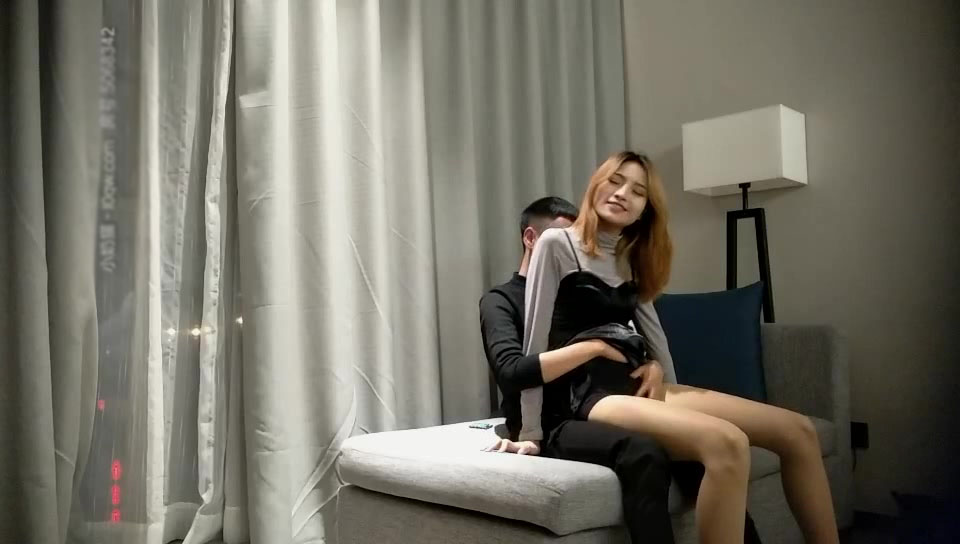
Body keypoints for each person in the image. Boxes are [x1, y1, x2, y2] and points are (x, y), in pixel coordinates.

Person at [516, 152, 840, 544]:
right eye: (615, 181)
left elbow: (655, 337)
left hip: (637, 383)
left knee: (798, 431)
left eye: (638, 191)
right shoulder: (556, 243)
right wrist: (530, 430)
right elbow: (533, 341)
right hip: (586, 392)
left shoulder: (631, 256)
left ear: (645, 210)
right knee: (727, 442)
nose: (622, 193)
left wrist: (665, 383)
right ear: (595, 184)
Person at [479, 197, 762, 544]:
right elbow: (510, 372)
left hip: (603, 401)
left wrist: (653, 365)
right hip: (548, 419)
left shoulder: (579, 289)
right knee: (643, 450)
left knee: (702, 448)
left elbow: (627, 339)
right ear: (531, 238)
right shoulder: (500, 301)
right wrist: (593, 347)